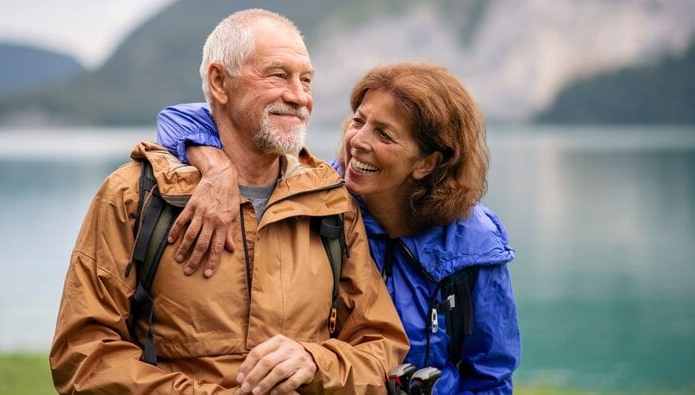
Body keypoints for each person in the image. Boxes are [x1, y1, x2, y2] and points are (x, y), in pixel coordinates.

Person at [50, 8, 409, 394]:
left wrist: (315, 362)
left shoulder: (331, 200)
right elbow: (84, 357)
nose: (300, 96)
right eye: (278, 75)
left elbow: (381, 346)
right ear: (219, 82)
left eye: (306, 80)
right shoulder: (133, 196)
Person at [156, 61, 522, 393]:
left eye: (384, 134)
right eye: (359, 121)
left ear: (427, 163)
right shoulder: (319, 198)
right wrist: (216, 167)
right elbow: (176, 118)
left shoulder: (474, 244)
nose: (357, 142)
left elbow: (490, 376)